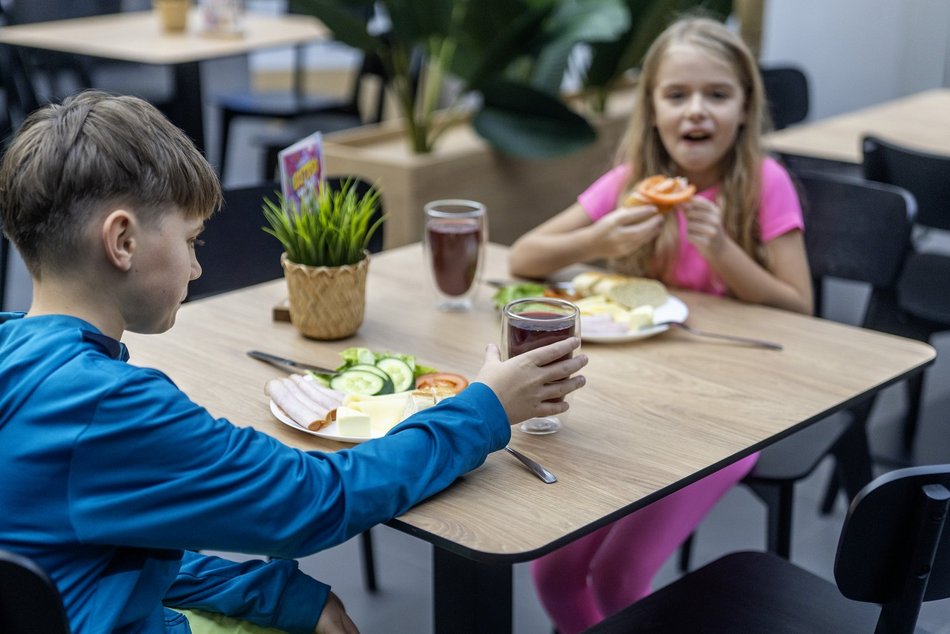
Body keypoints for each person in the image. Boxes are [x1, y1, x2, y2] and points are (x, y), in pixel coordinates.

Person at [0, 91, 588, 634]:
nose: (198, 268)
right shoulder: (108, 406)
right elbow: (316, 498)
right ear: (122, 241)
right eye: (192, 240)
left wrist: (274, 592)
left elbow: (93, 551)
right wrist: (486, 406)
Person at [509, 16, 812, 634]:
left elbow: (800, 308)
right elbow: (522, 258)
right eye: (676, 95)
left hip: (729, 419)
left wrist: (725, 250)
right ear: (650, 108)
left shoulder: (764, 183)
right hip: (640, 407)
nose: (695, 112)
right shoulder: (633, 185)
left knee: (620, 579)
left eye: (716, 95)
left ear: (745, 105)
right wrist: (599, 234)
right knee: (552, 574)